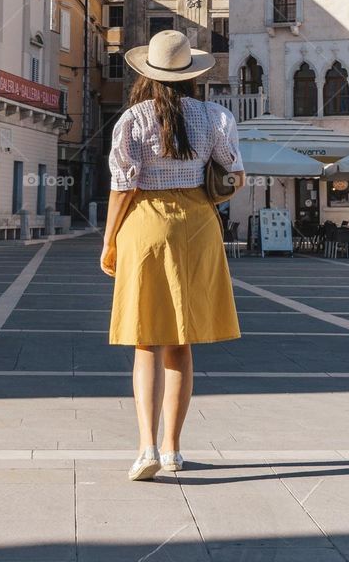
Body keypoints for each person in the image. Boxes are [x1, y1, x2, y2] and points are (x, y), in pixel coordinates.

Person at [100, 29, 245, 482]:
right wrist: (203, 194)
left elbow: (123, 187)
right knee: (180, 342)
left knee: (146, 338)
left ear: (148, 74)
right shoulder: (215, 117)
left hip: (145, 222)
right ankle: (173, 450)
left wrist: (108, 241)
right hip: (198, 224)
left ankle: (145, 447)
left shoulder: (133, 119)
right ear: (191, 75)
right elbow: (236, 176)